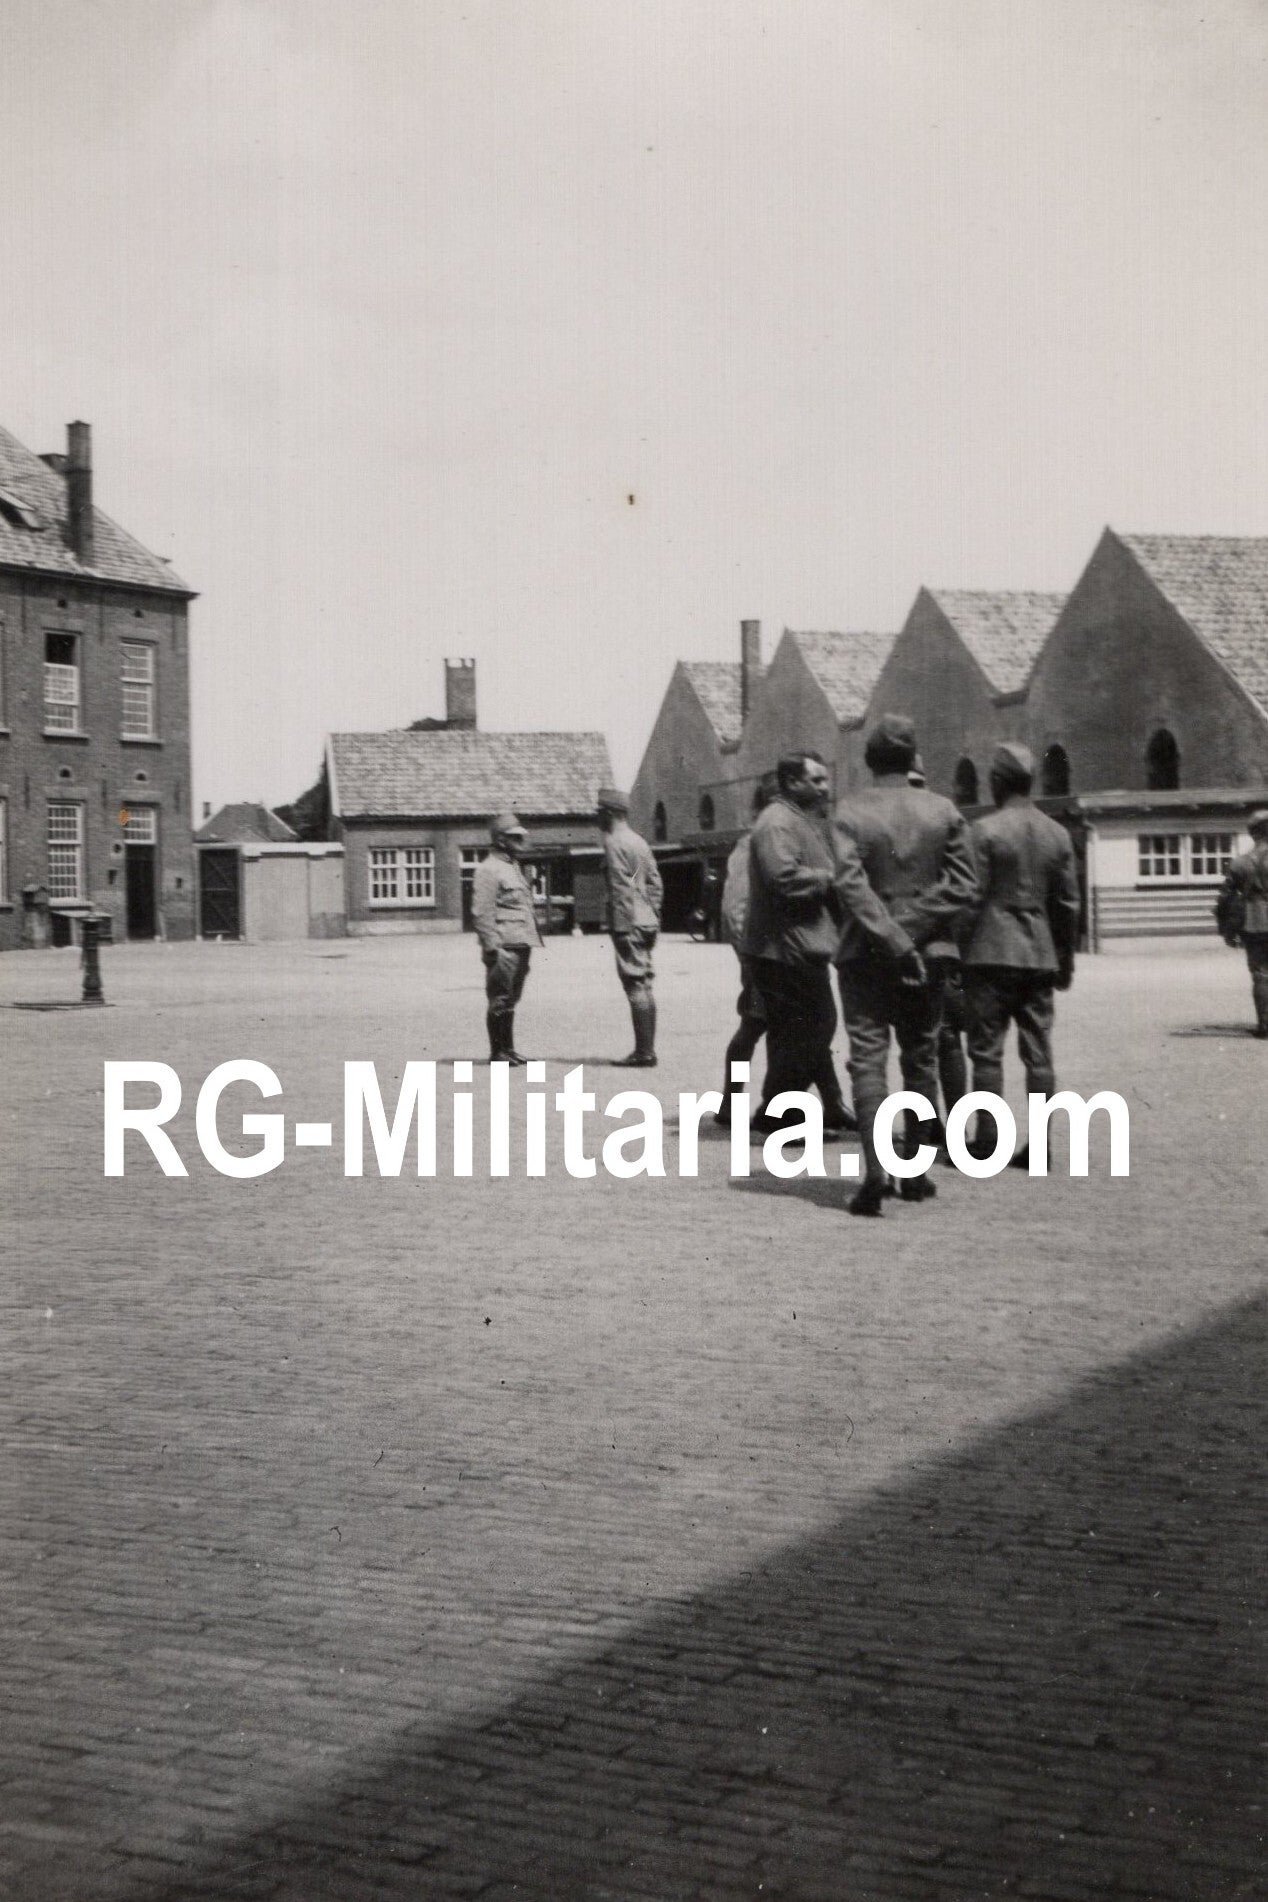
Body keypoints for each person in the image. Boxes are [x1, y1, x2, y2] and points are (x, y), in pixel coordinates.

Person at [833, 714, 979, 1215]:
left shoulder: (849, 812)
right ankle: (915, 1171)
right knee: (921, 1055)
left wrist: (892, 936)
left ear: (870, 761)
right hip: (930, 954)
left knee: (867, 1060)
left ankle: (876, 1169)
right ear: (913, 758)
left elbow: (850, 886)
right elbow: (964, 885)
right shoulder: (944, 811)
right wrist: (913, 930)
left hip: (864, 955)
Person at [742, 750, 920, 1141]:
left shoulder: (796, 820)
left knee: (799, 1030)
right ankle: (779, 1116)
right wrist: (833, 878)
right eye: (817, 780)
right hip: (784, 948)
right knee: (809, 1029)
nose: (825, 787)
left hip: (797, 946)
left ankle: (778, 1111)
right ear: (792, 783)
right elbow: (782, 878)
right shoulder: (776, 823)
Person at [961, 742, 1081, 1164]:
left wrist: (960, 949)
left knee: (986, 1050)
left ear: (996, 782)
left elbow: (971, 897)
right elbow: (1068, 905)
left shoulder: (985, 831)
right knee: (1038, 1051)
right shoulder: (1058, 833)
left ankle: (988, 1138)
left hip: (990, 953)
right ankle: (1040, 1145)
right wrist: (1064, 959)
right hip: (1039, 955)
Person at [714, 784, 770, 1126]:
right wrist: (747, 956)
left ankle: (835, 1102)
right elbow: (734, 908)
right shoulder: (749, 846)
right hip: (760, 954)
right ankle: (730, 1101)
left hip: (774, 954)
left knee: (804, 1027)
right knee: (753, 1025)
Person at [597, 787, 664, 1067]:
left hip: (629, 921)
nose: (597, 817)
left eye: (599, 812)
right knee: (645, 984)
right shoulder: (639, 841)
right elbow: (655, 882)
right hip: (646, 918)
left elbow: (620, 888)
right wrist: (653, 914)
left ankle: (644, 1052)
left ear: (610, 813)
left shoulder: (613, 842)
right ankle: (646, 1048)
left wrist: (622, 927)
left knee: (635, 985)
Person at [470, 813, 542, 1064]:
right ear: (500, 840)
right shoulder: (488, 869)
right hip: (503, 945)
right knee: (499, 998)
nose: (521, 840)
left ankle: (508, 1050)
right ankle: (497, 1052)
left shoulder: (512, 866)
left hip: (520, 943)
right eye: (515, 837)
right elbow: (481, 912)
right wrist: (492, 947)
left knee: (511, 998)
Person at [1216, 807, 1268, 1039]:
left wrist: (1226, 930)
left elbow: (1225, 898)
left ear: (1253, 833)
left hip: (1253, 922)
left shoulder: (1239, 863)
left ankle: (1265, 1026)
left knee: (1260, 974)